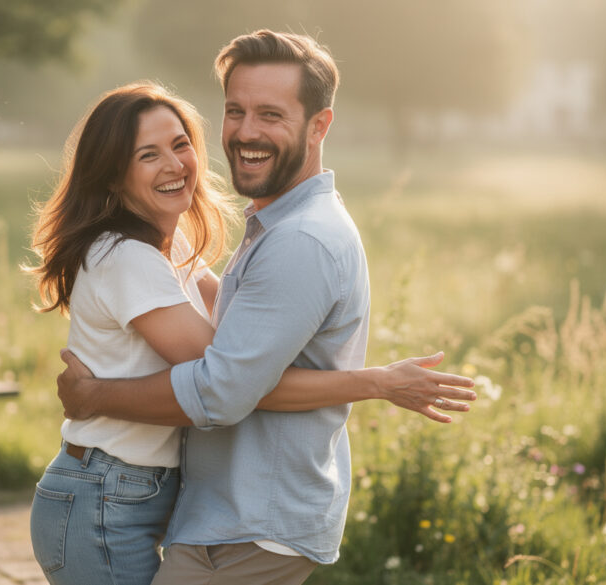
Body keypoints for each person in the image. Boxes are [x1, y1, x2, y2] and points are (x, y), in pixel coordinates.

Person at [54, 31, 476, 585]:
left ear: (319, 126)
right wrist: (373, 382)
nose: (246, 132)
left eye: (271, 114)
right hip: (230, 516)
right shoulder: (271, 228)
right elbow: (215, 319)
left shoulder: (299, 241)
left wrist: (93, 396)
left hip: (247, 527)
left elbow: (222, 388)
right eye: (235, 111)